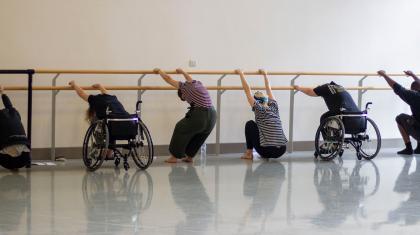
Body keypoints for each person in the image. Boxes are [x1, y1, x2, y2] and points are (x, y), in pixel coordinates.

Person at [154, 68, 217, 163]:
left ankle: (174, 157)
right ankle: (190, 156)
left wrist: (159, 71)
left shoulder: (183, 87)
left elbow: (168, 78)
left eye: (183, 99)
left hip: (200, 115)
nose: (185, 99)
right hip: (213, 115)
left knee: (180, 128)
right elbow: (188, 77)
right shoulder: (196, 83)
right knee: (200, 134)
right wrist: (182, 72)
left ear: (182, 95)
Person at [69, 81, 129, 159]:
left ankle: (103, 150)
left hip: (111, 126)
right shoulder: (112, 98)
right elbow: (105, 93)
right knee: (112, 127)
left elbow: (82, 93)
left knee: (103, 126)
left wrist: (74, 85)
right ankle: (109, 152)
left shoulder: (95, 100)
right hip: (127, 124)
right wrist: (100, 86)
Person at [236, 69, 287, 160]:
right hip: (282, 150)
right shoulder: (274, 106)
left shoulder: (258, 108)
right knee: (262, 128)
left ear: (257, 102)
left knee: (250, 124)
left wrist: (241, 74)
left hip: (267, 151)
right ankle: (266, 148)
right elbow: (269, 89)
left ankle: (249, 154)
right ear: (266, 100)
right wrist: (265, 74)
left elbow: (247, 90)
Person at [377, 70, 420, 155]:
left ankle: (408, 148)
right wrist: (413, 75)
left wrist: (384, 75)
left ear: (414, 90)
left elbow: (397, 87)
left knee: (400, 118)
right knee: (415, 117)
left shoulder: (414, 96)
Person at [294, 81, 360, 124]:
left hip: (344, 115)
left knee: (324, 117)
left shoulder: (325, 87)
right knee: (333, 116)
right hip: (358, 116)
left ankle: (329, 141)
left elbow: (310, 91)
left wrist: (299, 88)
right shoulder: (340, 87)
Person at [0, 85, 30, 169]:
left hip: (6, 161)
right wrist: (2, 92)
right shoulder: (14, 114)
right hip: (24, 159)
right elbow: (8, 105)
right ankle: (15, 165)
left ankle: (14, 164)